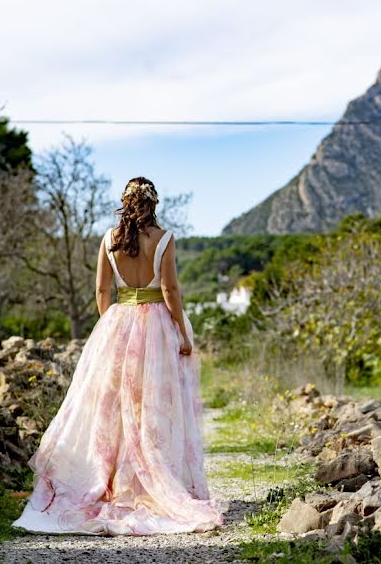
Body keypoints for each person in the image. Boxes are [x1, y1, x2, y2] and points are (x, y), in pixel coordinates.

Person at [13, 177, 226, 535]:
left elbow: (102, 289)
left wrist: (110, 327)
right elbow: (171, 289)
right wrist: (182, 330)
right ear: (154, 204)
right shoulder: (164, 240)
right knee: (153, 406)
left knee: (113, 409)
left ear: (124, 204)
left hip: (120, 321)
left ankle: (112, 481)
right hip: (157, 324)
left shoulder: (109, 240)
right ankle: (152, 478)